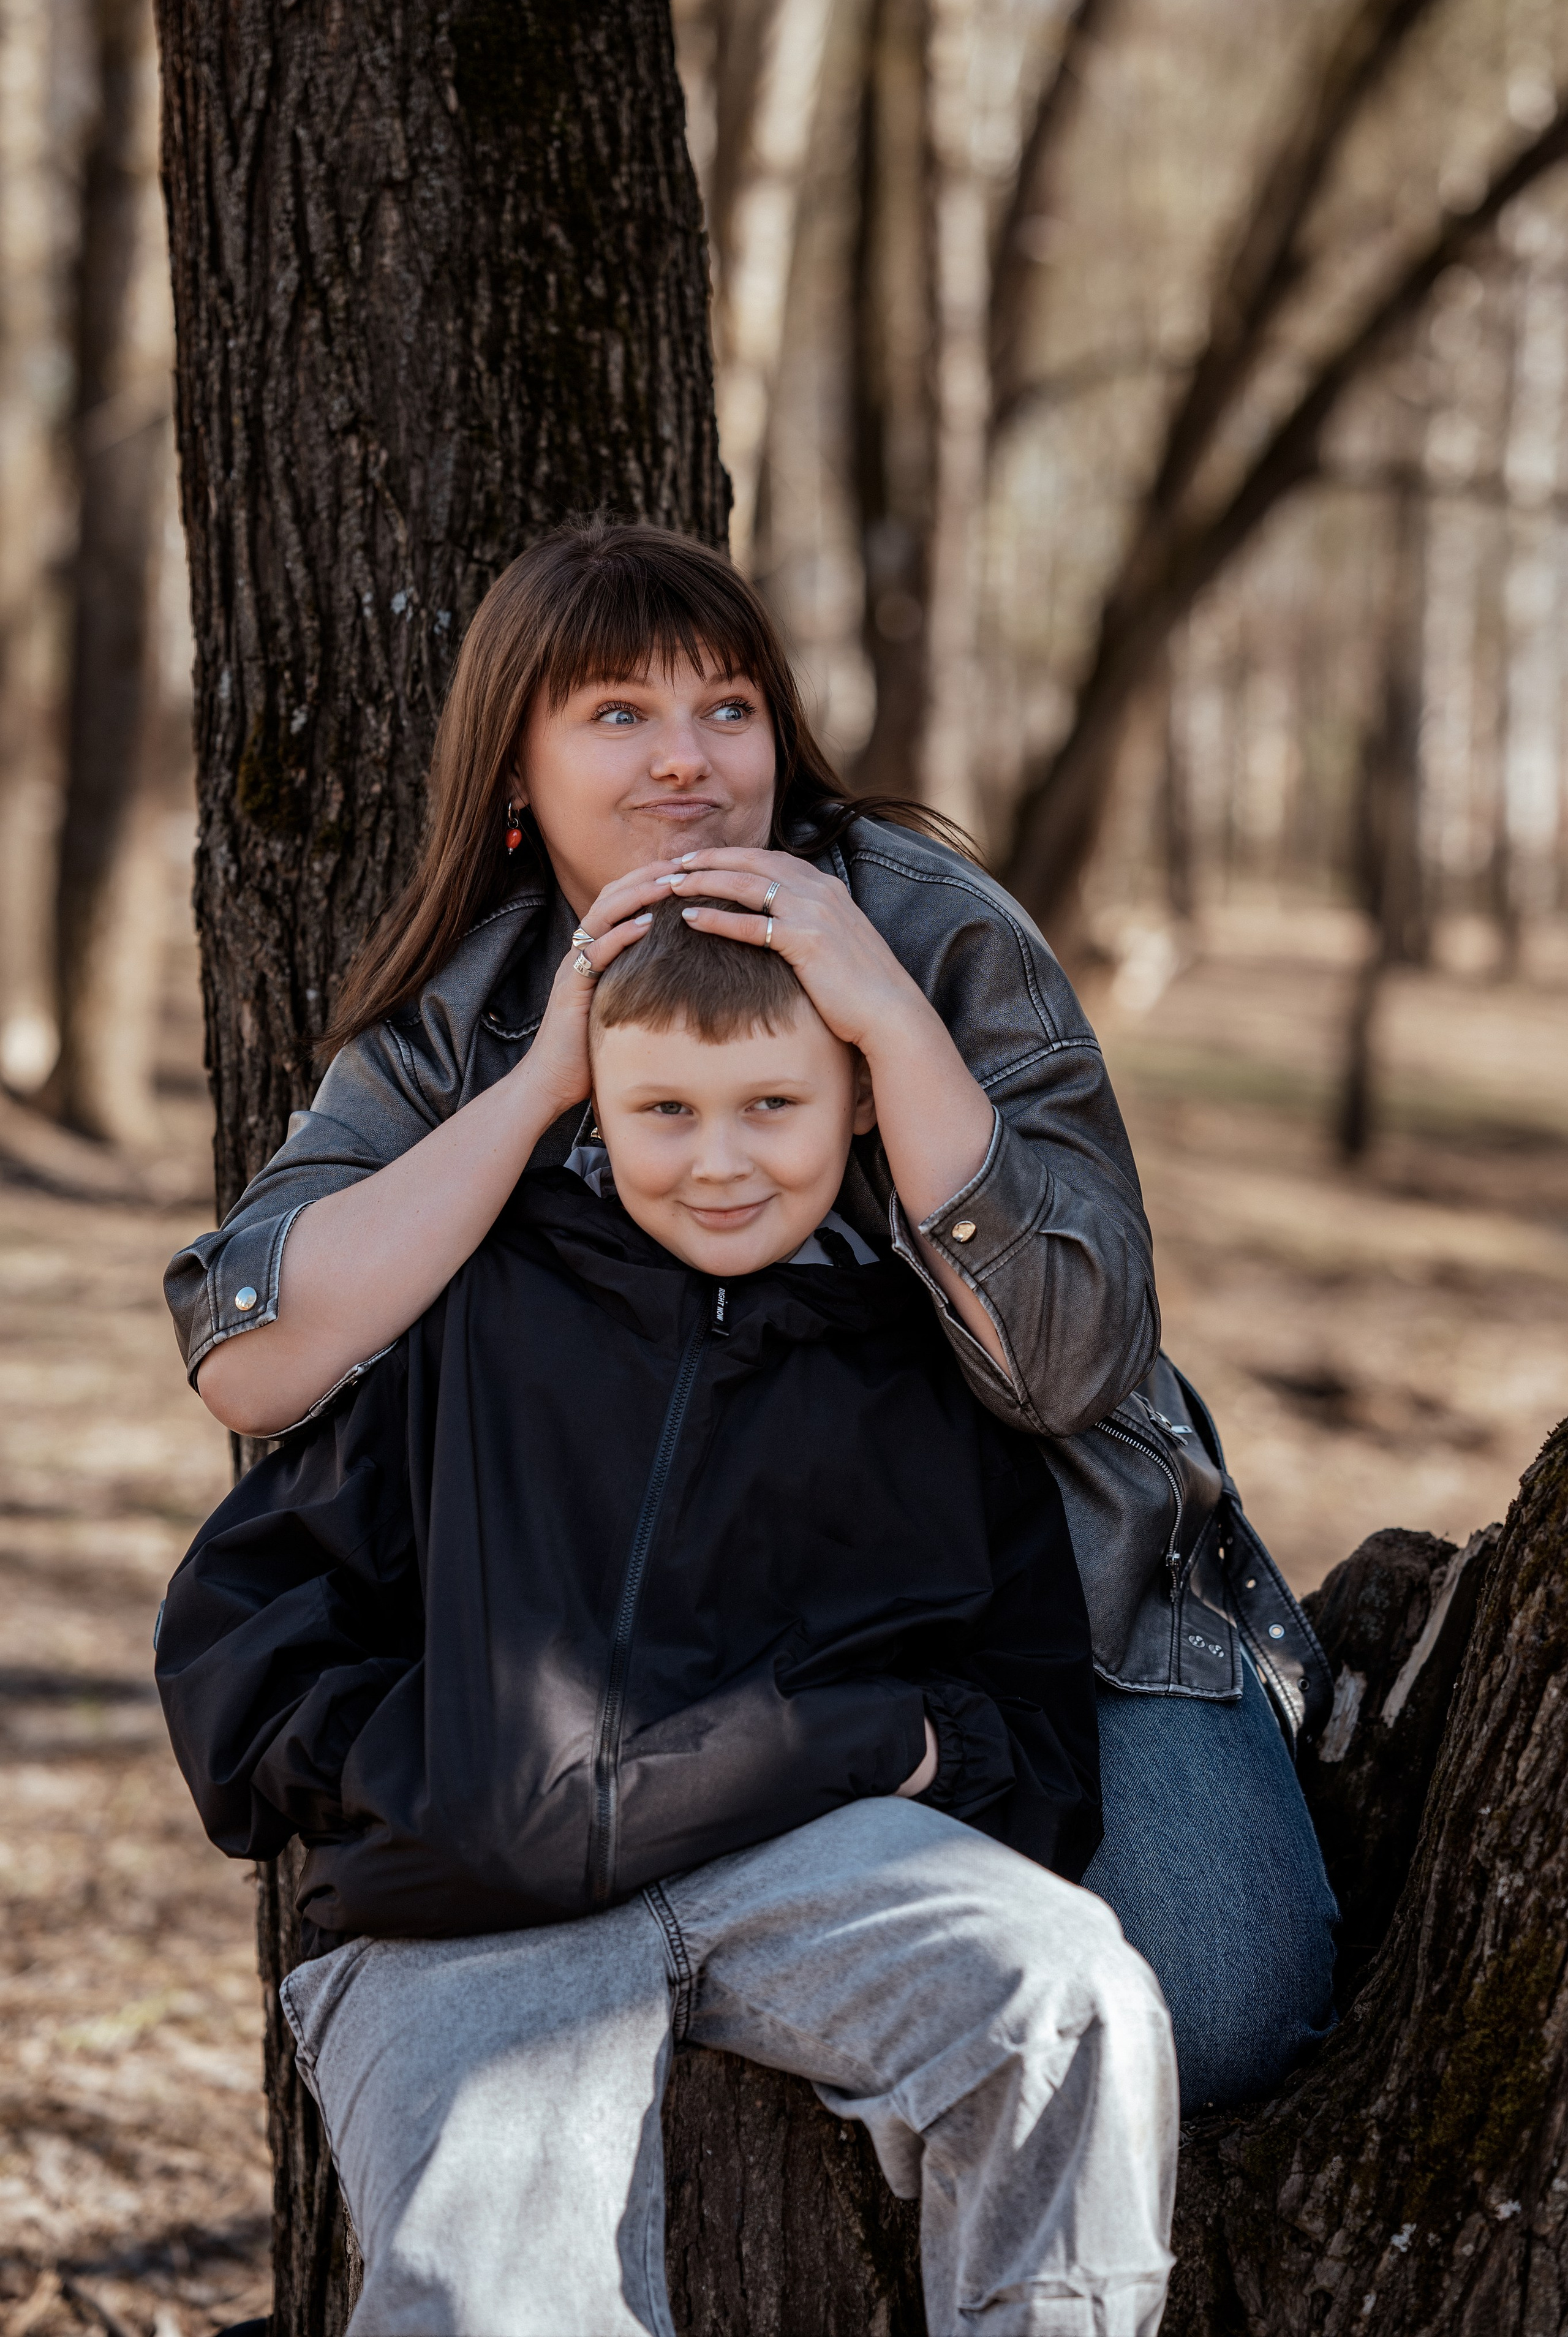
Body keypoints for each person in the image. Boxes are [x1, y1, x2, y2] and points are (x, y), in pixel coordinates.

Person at [163, 518, 1336, 2108]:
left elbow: (1069, 1371)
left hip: (1053, 1596)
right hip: (668, 1647)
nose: (686, 764)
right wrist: (538, 1091)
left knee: (1217, 2009)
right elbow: (251, 1352)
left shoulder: (938, 930)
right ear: (516, 773)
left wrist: (884, 1017)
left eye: (728, 708)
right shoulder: (470, 1015)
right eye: (617, 715)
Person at [157, 900, 1179, 2337]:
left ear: (860, 1101)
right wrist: (429, 1774)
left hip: (811, 1867)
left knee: (1072, 2001)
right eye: (663, 1110)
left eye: (772, 1104)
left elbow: (1027, 1720)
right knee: (488, 2295)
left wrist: (910, 1744)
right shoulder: (481, 1299)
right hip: (464, 1908)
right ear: (595, 1104)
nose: (717, 1160)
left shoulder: (920, 1363)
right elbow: (243, 1623)